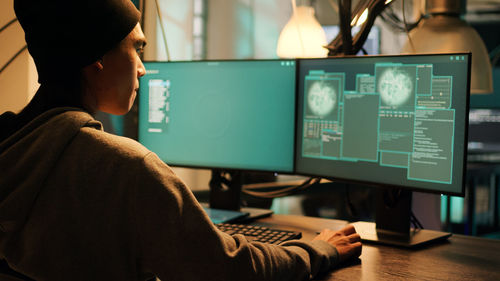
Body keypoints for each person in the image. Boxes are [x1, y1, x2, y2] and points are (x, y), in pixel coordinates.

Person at [0, 0, 362, 280]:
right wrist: (317, 251)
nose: (142, 67)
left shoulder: (10, 147)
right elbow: (230, 271)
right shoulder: (128, 169)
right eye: (136, 49)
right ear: (96, 58)